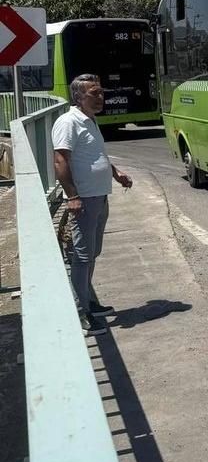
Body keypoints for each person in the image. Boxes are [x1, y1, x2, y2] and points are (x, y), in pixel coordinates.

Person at [52, 73, 133, 334]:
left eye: (101, 92)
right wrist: (73, 197)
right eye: (94, 93)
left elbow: (96, 155)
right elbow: (60, 161)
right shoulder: (68, 122)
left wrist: (116, 173)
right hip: (84, 199)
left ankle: (89, 302)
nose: (100, 97)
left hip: (99, 196)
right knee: (82, 256)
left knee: (92, 253)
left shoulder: (90, 120)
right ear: (78, 97)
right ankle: (80, 312)